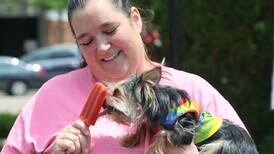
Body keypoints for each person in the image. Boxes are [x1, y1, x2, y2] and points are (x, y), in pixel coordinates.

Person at [1, 0, 246, 153]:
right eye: (86, 41)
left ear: (135, 20)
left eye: (110, 30)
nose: (102, 47)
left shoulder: (193, 90)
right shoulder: (51, 97)